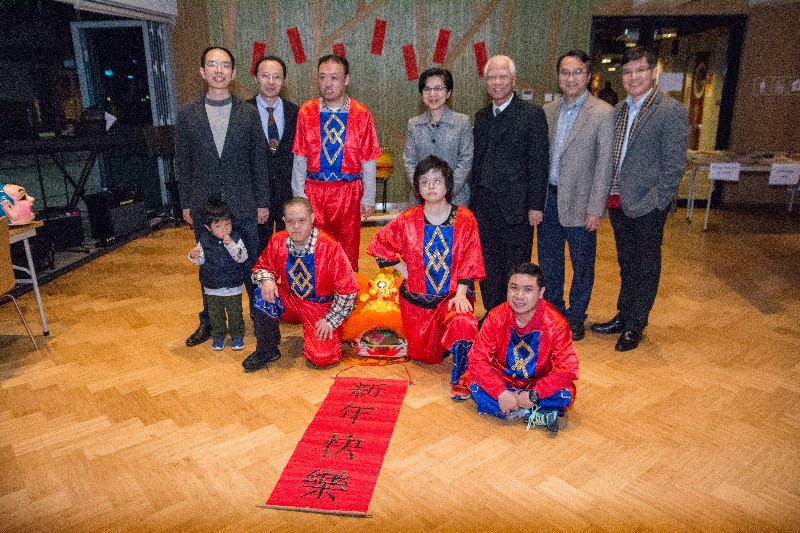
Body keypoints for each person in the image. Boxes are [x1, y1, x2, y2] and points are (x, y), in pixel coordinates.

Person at [590, 46, 688, 352]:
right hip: (619, 200)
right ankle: (624, 313)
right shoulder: (618, 110)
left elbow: (674, 163)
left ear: (653, 72)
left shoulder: (671, 111)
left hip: (648, 203)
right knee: (626, 262)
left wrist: (660, 201)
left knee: (646, 264)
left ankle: (636, 324)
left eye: (640, 70)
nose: (633, 77)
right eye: (628, 72)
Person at [176, 46, 270, 347]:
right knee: (211, 265)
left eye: (225, 65)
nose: (219, 71)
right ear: (203, 72)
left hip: (243, 204)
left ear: (233, 73)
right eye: (212, 65)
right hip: (204, 207)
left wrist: (263, 202)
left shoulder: (249, 113)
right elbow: (183, 162)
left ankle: (261, 319)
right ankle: (210, 321)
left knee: (249, 263)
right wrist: (186, 202)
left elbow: (259, 161)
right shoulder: (188, 114)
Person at [367, 155, 485, 368]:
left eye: (437, 181)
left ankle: (463, 374)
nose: (431, 186)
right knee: (425, 357)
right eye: (424, 182)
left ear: (448, 185)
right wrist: (401, 267)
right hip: (417, 302)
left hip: (451, 297)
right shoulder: (407, 219)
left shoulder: (465, 219)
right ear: (417, 188)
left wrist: (460, 294)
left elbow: (471, 258)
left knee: (464, 321)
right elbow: (378, 245)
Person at [540, 50, 614, 341]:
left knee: (582, 263)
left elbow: (604, 164)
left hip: (583, 204)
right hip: (549, 201)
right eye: (565, 73)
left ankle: (576, 316)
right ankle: (555, 314)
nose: (570, 78)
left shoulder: (602, 113)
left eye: (577, 72)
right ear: (559, 76)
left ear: (588, 75)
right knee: (550, 262)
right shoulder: (547, 112)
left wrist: (596, 208)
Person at [451, 263, 579, 433]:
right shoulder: (496, 316)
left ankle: (516, 409)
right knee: (474, 384)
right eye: (514, 288)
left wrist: (535, 393)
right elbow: (476, 359)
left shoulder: (556, 323)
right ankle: (533, 413)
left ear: (541, 293)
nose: (519, 296)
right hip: (503, 379)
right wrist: (500, 392)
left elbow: (568, 368)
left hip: (537, 382)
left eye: (528, 289)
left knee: (565, 395)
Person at [470, 55, 549, 313]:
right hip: (484, 208)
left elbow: (539, 163)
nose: (497, 82)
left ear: (513, 80)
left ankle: (513, 318)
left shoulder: (532, 114)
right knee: (489, 267)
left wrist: (536, 205)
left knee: (514, 269)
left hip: (517, 209)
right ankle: (494, 318)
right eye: (491, 77)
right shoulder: (481, 117)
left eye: (502, 76)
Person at [243, 197, 358, 370]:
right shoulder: (277, 241)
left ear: (312, 218)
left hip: (320, 308)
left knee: (322, 357)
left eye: (302, 221)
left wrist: (331, 320)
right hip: (290, 300)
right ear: (284, 221)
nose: (296, 227)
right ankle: (267, 349)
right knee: (262, 293)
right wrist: (267, 279)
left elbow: (348, 290)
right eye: (290, 221)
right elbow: (262, 267)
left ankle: (319, 335)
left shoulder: (330, 247)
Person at [291, 54, 381, 271]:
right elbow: (299, 158)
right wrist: (298, 197)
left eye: (334, 77)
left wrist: (368, 198)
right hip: (314, 192)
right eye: (322, 78)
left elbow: (368, 159)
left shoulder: (361, 114)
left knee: (347, 251)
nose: (327, 84)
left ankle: (346, 299)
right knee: (314, 249)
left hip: (348, 194)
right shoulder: (307, 112)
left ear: (346, 79)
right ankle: (318, 301)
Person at [249, 55, 299, 252]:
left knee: (291, 248)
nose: (271, 82)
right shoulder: (243, 112)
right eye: (265, 76)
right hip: (256, 197)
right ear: (256, 78)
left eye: (276, 77)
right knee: (260, 250)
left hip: (288, 194)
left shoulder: (296, 112)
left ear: (283, 81)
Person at [403, 67, 473, 207]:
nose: (432, 94)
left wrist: (447, 190)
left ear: (448, 93)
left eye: (438, 88)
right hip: (420, 201)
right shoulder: (414, 124)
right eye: (427, 89)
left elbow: (465, 161)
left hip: (455, 199)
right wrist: (422, 189)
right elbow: (409, 162)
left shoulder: (462, 122)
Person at [188, 200, 248, 351]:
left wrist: (231, 245)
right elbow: (200, 260)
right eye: (218, 226)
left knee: (235, 313)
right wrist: (193, 256)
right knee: (216, 315)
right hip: (212, 287)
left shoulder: (235, 238)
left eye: (227, 224)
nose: (224, 229)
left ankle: (237, 334)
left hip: (233, 286)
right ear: (208, 228)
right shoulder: (205, 240)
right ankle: (219, 335)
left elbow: (242, 257)